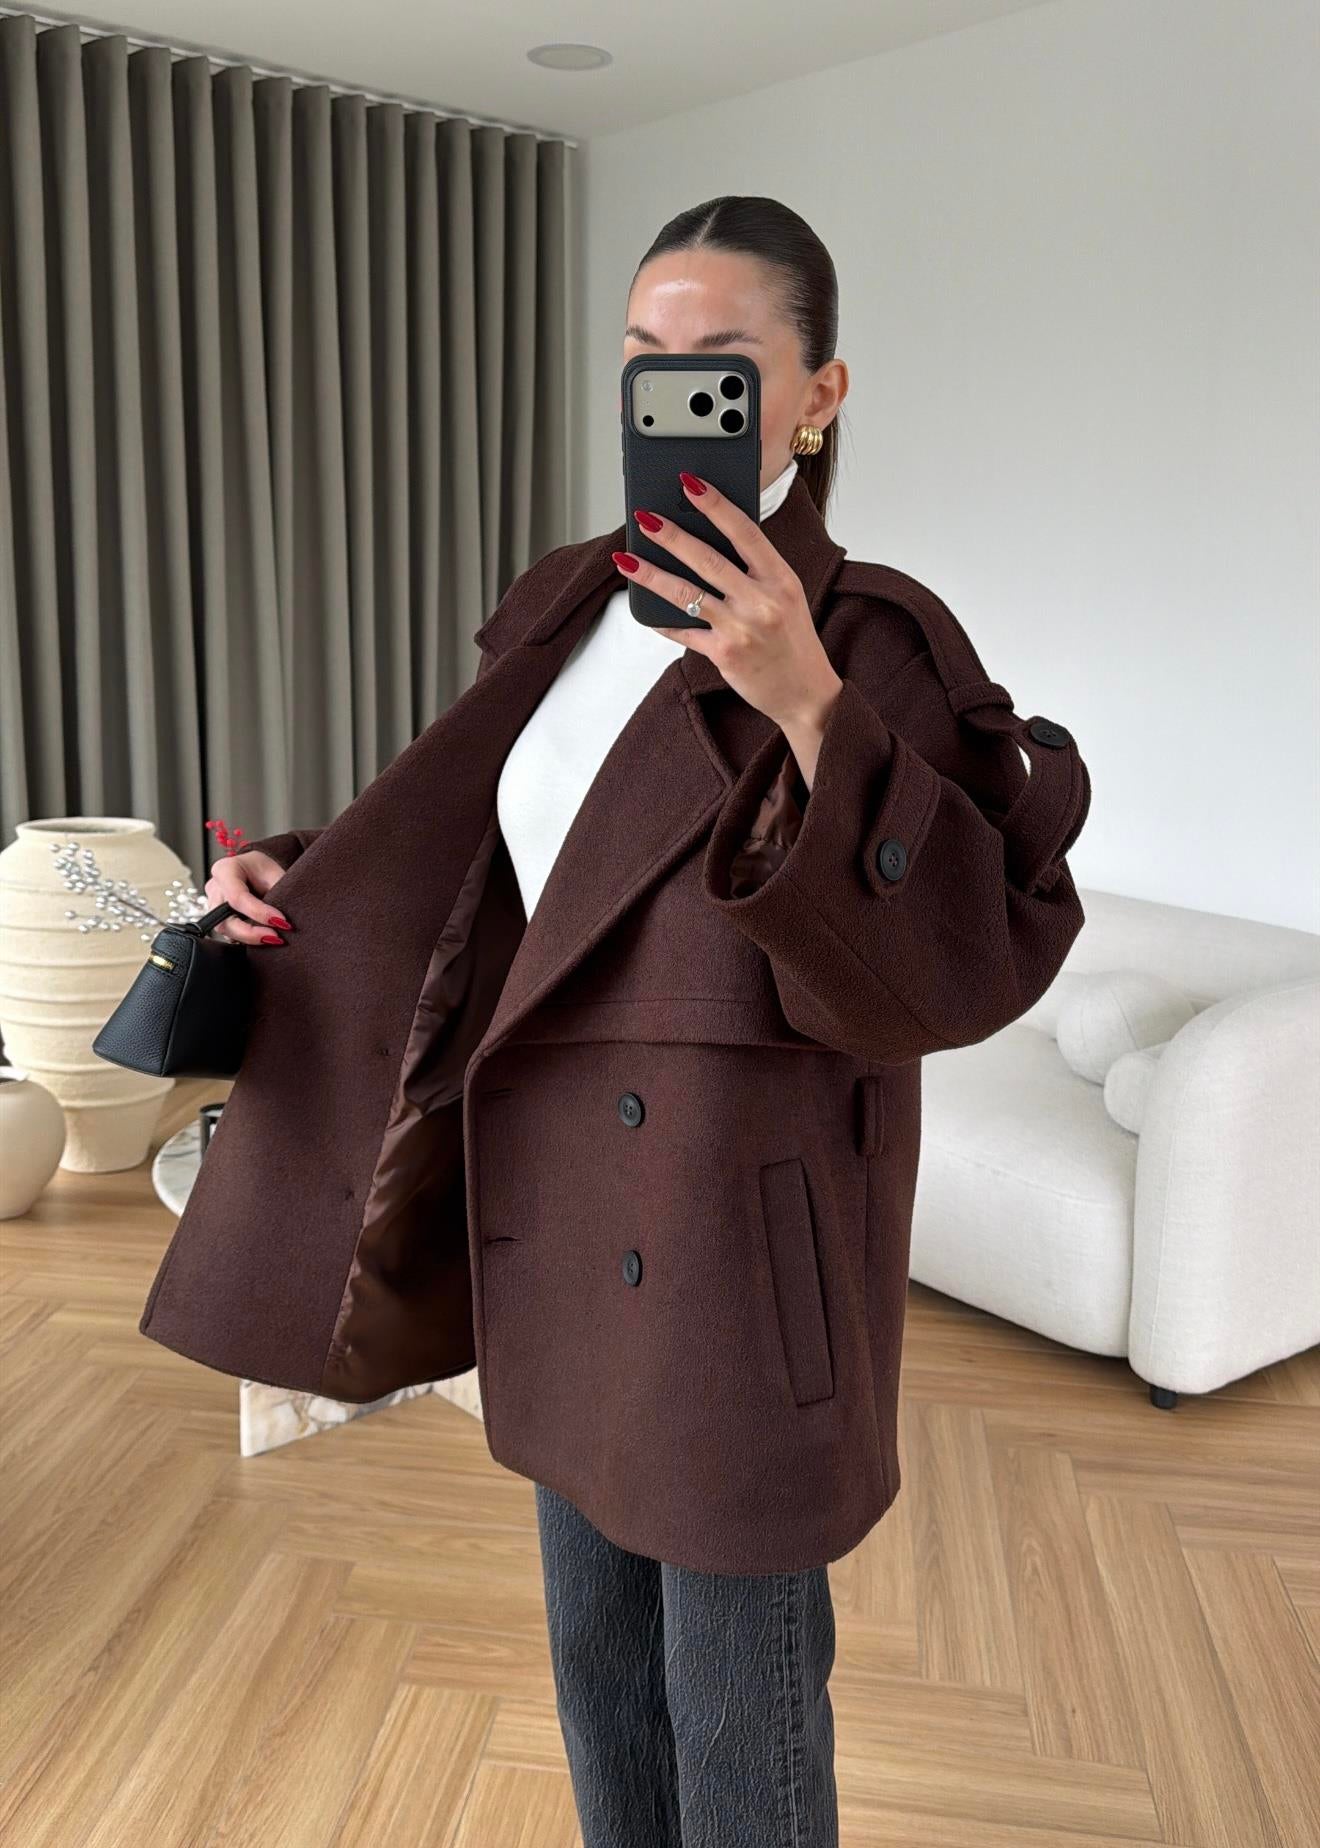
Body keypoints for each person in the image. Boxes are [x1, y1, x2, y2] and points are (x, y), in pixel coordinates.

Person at [182, 195, 1092, 1848]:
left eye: (720, 361)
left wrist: (805, 702)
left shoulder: (872, 637)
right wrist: (297, 878)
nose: (675, 392)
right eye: (643, 359)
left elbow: (955, 973)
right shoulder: (566, 601)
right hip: (555, 1211)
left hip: (737, 1253)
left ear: (814, 396)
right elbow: (504, 859)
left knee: (738, 1726)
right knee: (602, 1685)